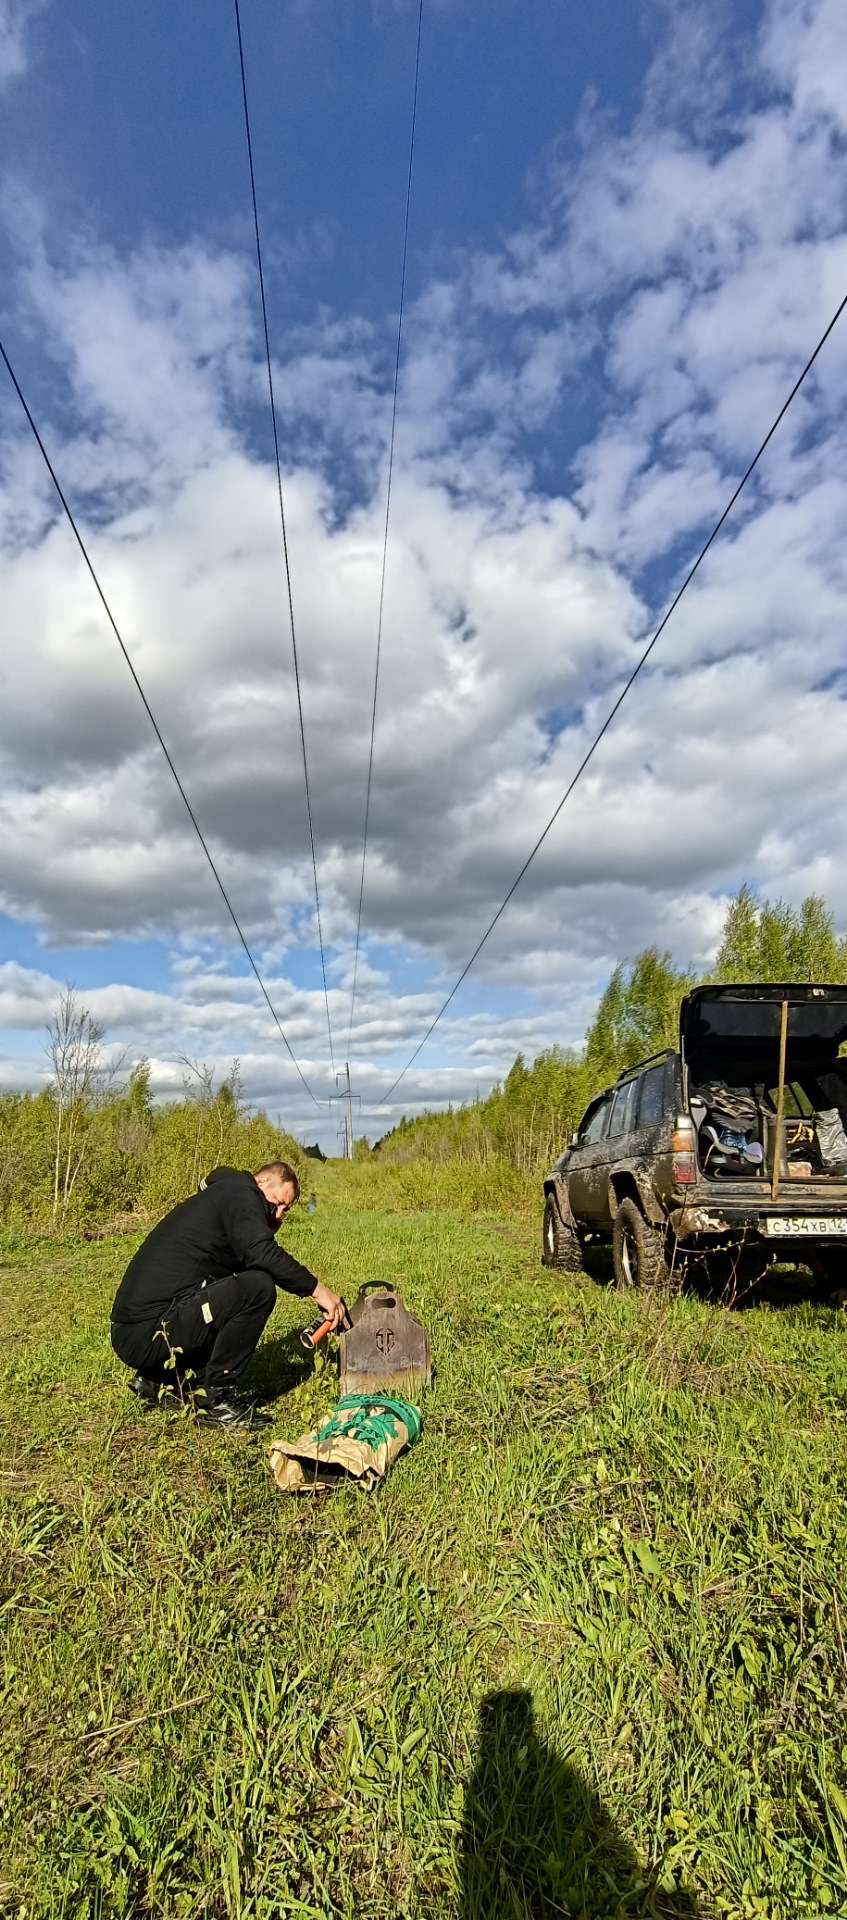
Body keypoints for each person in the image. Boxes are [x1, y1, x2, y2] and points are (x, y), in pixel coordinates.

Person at [110, 1160, 345, 1429]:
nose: (278, 1215)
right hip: (144, 1332)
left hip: (137, 1332)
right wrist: (318, 1291)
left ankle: (154, 1379)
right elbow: (262, 1254)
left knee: (238, 1286)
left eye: (285, 1210)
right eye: (277, 1202)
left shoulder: (226, 1194)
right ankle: (215, 1400)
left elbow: (248, 1260)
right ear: (262, 1183)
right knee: (257, 1288)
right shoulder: (242, 1193)